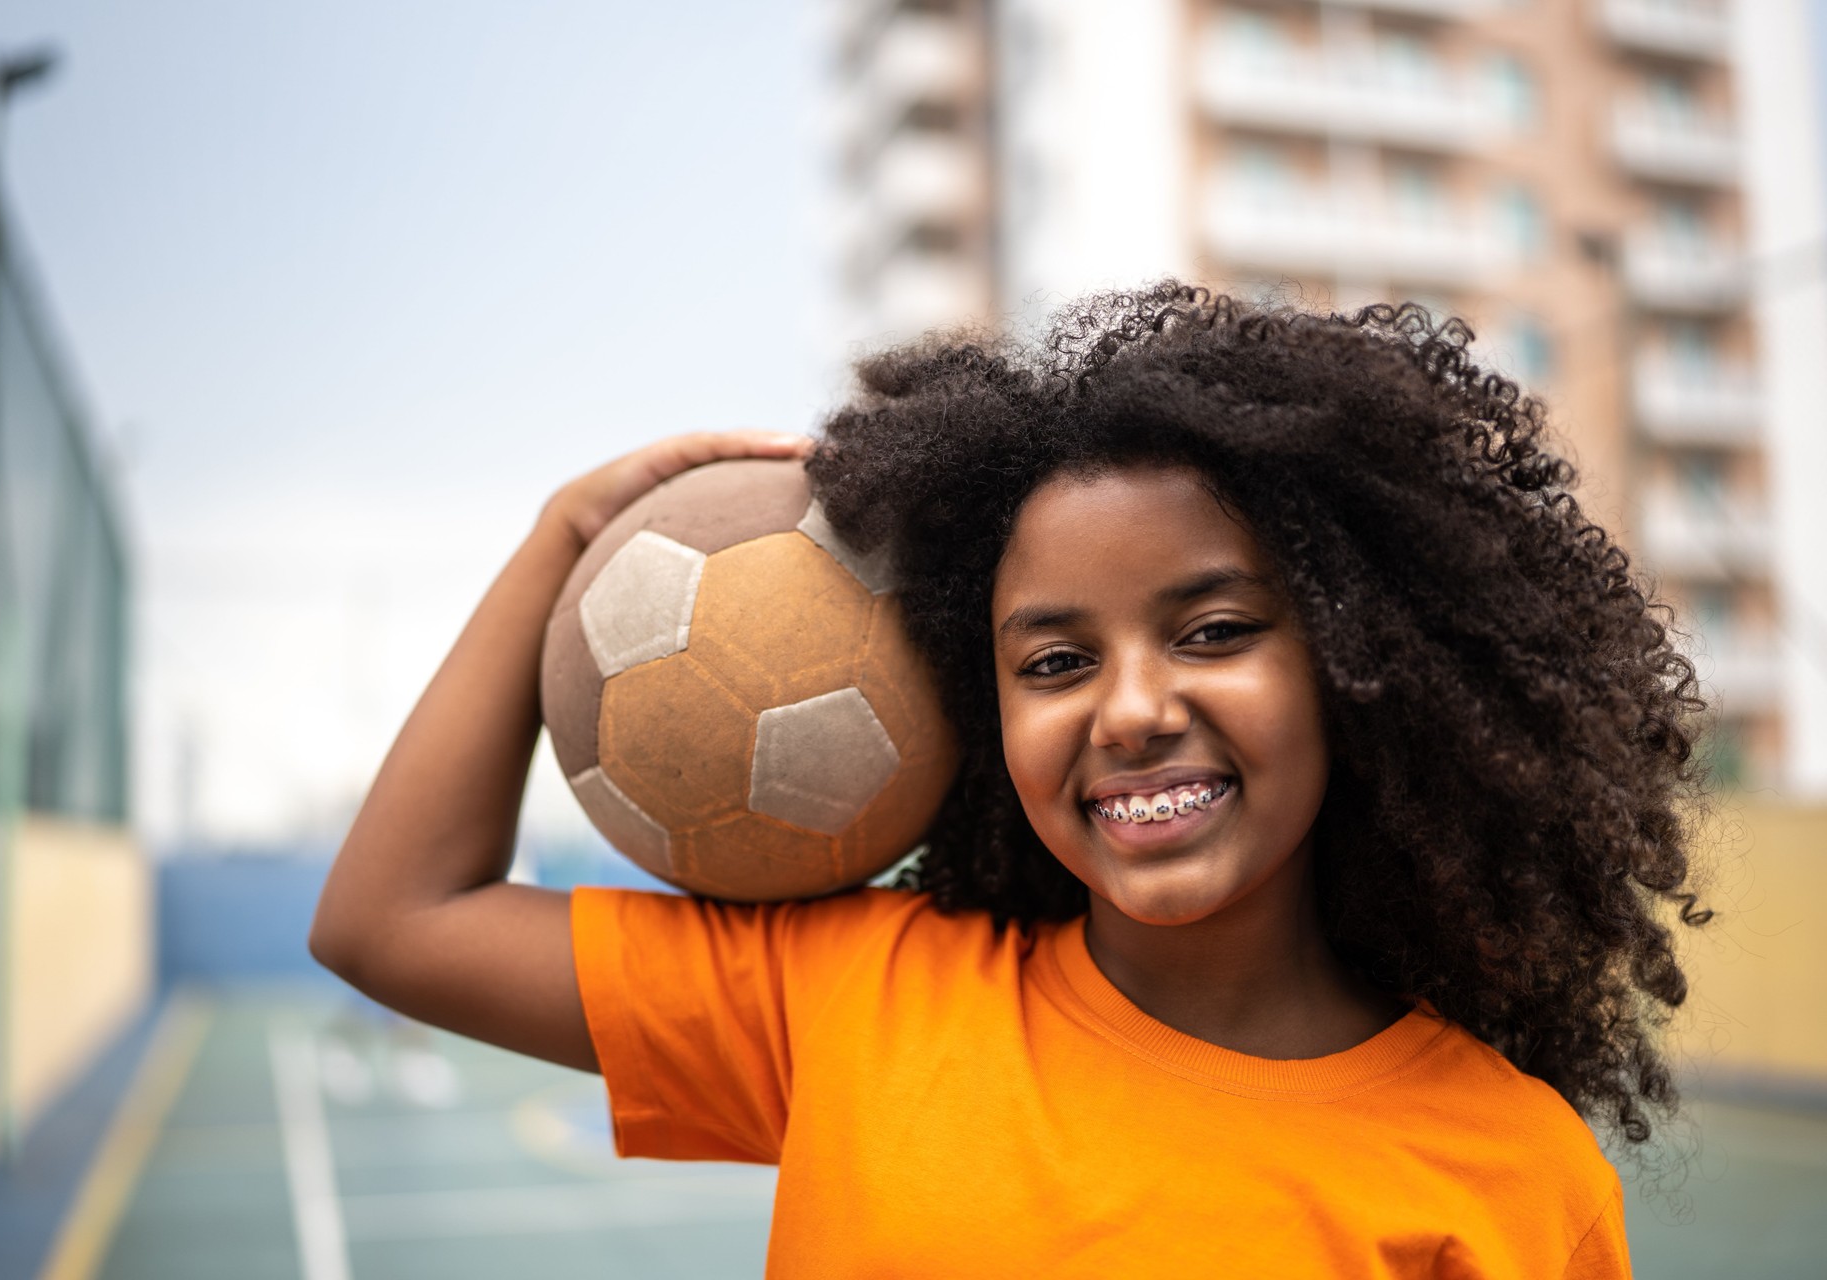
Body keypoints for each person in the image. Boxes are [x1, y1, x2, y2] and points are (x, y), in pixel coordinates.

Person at [311, 283, 1708, 1276]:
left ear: (1367, 656)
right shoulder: (860, 997)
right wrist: (564, 539)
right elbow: (391, 919)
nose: (1132, 710)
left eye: (1214, 632)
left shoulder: (1513, 1175)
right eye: (1053, 662)